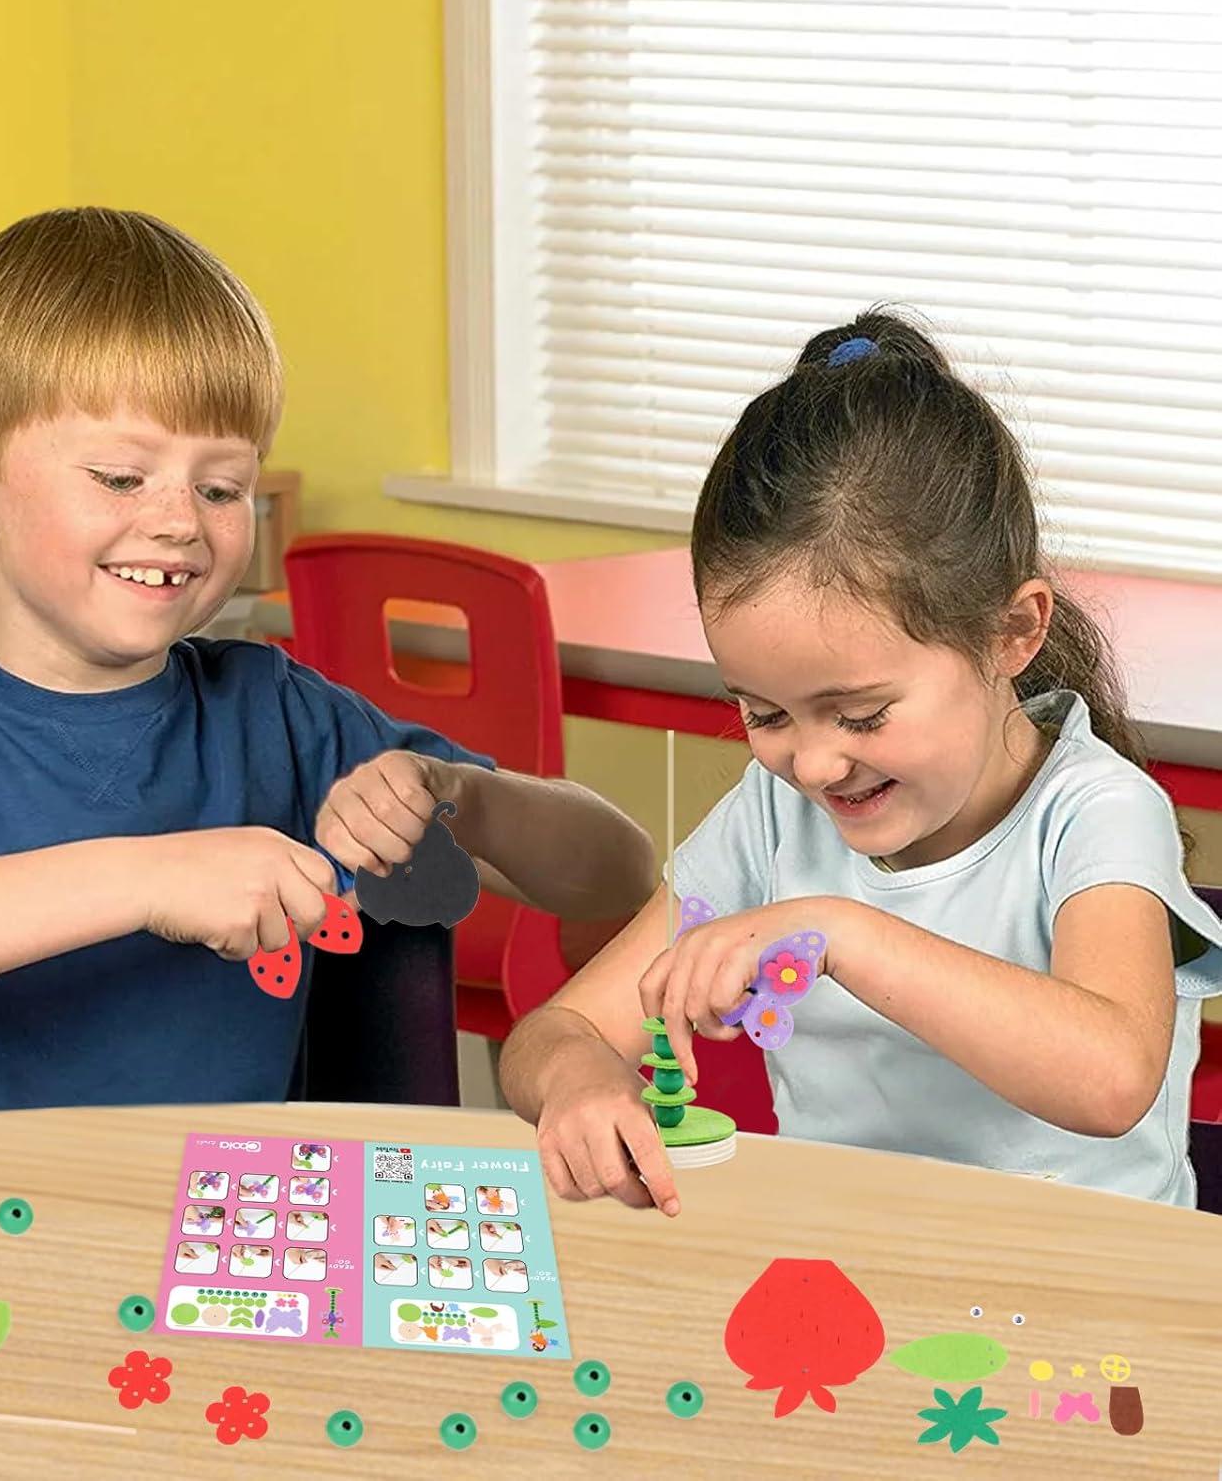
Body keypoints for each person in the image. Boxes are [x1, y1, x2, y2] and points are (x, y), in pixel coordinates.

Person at [0, 207, 654, 1121]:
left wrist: (471, 797)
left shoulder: (280, 713)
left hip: (227, 1231)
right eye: (120, 477)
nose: (180, 521)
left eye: (220, 489)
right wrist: (148, 879)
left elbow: (616, 872)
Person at [501, 309, 1222, 1212]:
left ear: (1012, 633)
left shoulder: (1096, 814)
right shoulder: (772, 820)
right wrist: (579, 1078)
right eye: (763, 713)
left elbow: (1112, 1080)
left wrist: (842, 931)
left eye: (861, 714)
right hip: (855, 1272)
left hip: (1090, 1292)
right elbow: (553, 1030)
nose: (811, 766)